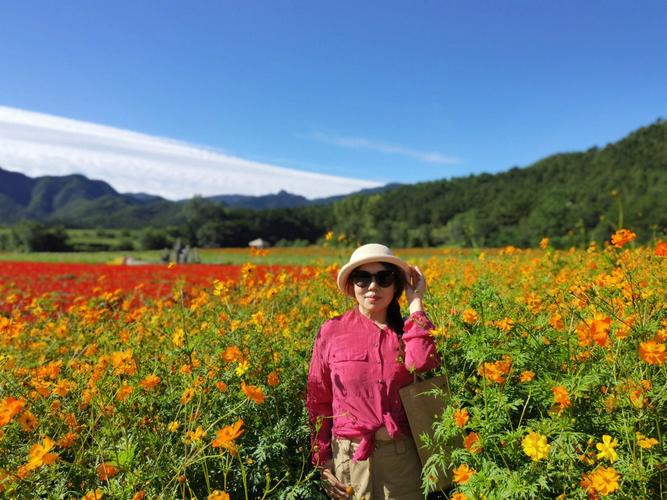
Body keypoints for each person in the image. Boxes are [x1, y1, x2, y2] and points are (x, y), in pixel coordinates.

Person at [307, 243, 440, 499]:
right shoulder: (331, 331)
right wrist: (322, 461)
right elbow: (319, 401)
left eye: (384, 278)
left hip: (401, 460)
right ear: (351, 286)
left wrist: (416, 303)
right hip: (348, 458)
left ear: (396, 285)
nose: (372, 286)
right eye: (362, 278)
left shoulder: (408, 331)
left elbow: (422, 363)